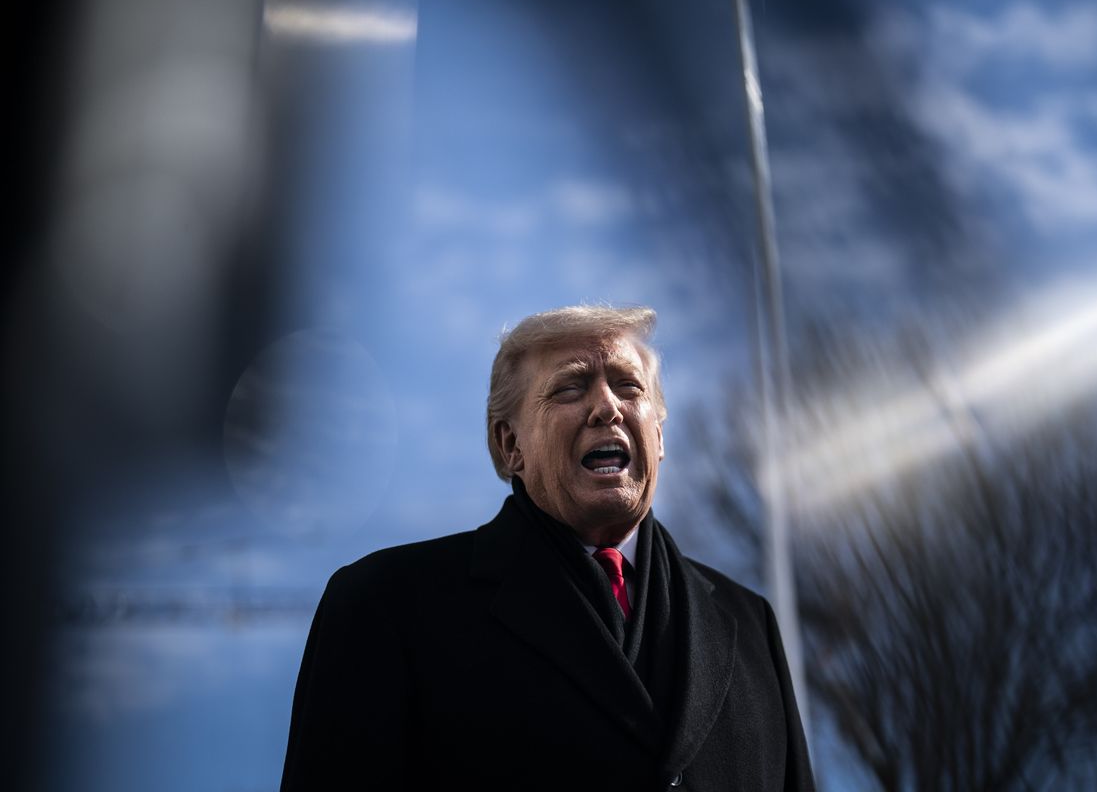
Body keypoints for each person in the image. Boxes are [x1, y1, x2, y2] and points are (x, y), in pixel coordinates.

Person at [280, 305, 816, 791]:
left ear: (658, 435)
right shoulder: (385, 606)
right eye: (570, 388)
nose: (606, 406)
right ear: (509, 444)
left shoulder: (751, 627)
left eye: (629, 387)